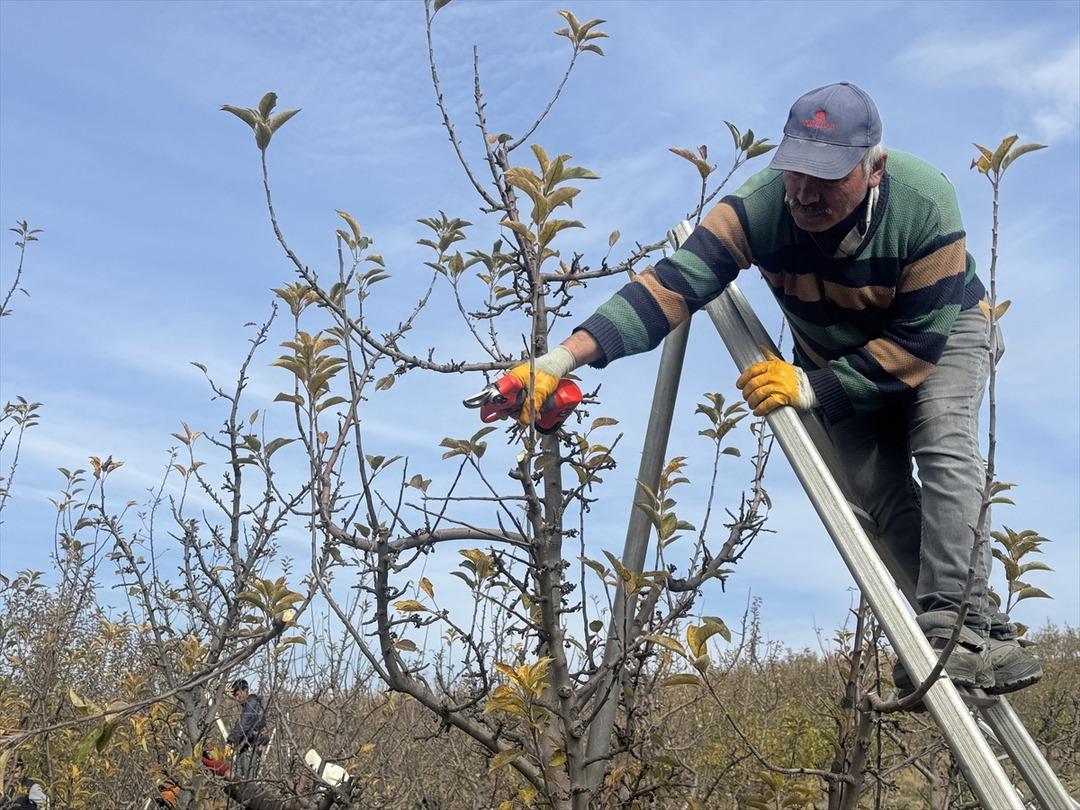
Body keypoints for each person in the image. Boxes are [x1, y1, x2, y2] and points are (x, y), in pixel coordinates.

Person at [496, 81, 1041, 696]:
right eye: (795, 172)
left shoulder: (924, 205)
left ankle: (960, 624)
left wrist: (811, 389)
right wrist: (561, 359)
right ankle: (968, 639)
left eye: (827, 176)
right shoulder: (759, 207)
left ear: (874, 167)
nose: (805, 193)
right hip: (838, 353)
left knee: (941, 438)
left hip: (944, 330)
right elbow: (671, 286)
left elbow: (916, 350)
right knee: (874, 493)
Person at [226, 678, 269, 778]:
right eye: (235, 696)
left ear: (244, 691)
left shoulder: (251, 704)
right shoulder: (252, 704)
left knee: (245, 778)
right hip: (251, 745)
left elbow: (243, 724)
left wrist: (230, 741)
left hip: (252, 746)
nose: (236, 698)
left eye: (237, 695)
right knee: (240, 774)